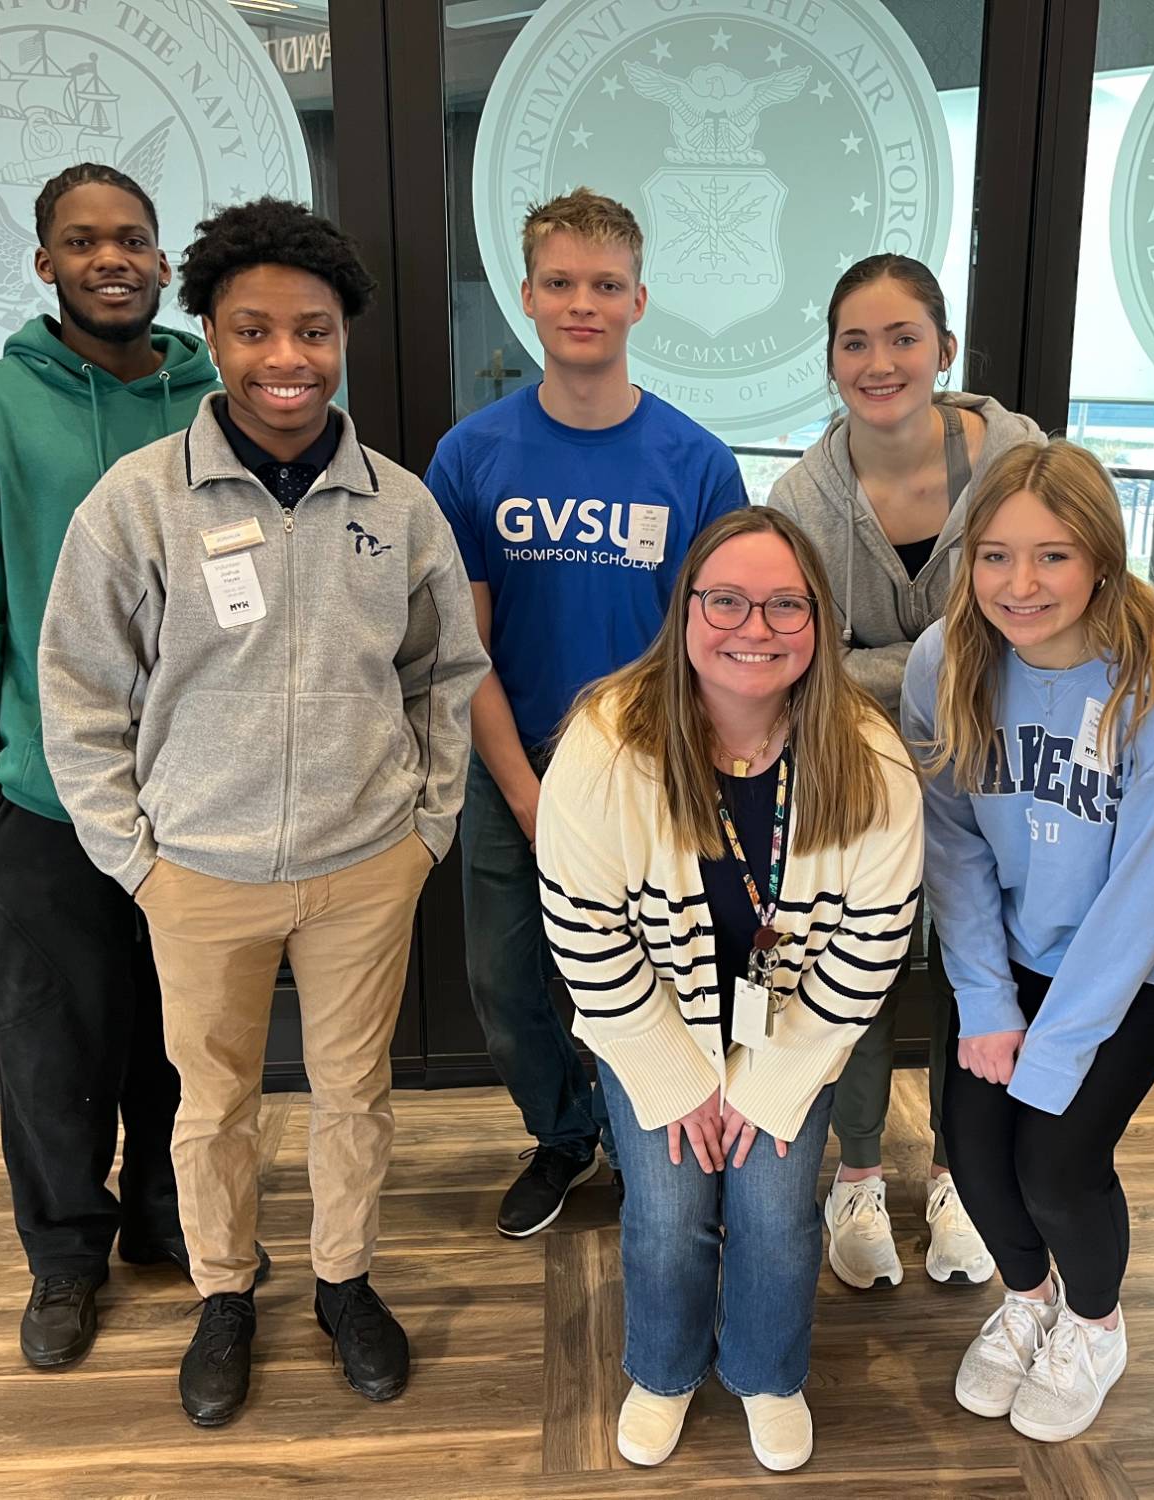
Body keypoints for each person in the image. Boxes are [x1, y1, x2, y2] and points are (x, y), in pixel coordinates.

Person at [38, 198, 485, 1428]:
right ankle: (225, 1293)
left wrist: (425, 831)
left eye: (312, 331)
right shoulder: (140, 503)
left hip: (363, 864)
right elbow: (78, 688)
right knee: (213, 1099)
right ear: (213, 337)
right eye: (253, 331)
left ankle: (343, 1281)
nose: (285, 358)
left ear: (341, 340)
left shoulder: (394, 506)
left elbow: (444, 675)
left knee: (354, 1094)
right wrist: (135, 857)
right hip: (198, 870)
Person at [0, 162, 246, 1371]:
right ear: (44, 263)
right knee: (56, 1044)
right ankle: (63, 1256)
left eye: (134, 240)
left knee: (179, 1035)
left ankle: (165, 1217)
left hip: (201, 797)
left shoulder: (223, 405)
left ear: (163, 265)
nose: (111, 258)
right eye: (82, 241)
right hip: (44, 795)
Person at [537, 508, 923, 1473]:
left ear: (821, 622)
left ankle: (766, 1371)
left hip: (790, 1028)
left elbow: (872, 947)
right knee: (667, 1213)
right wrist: (678, 1080)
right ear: (686, 610)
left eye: (785, 605)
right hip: (650, 1022)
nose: (755, 627)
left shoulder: (868, 756)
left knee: (776, 1212)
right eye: (727, 600)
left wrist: (764, 1084)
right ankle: (663, 1369)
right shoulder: (605, 739)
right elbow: (583, 933)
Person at [426, 188, 748, 1238]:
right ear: (525, 297)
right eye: (559, 283)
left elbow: (719, 641)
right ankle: (565, 1135)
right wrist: (522, 790)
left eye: (604, 285)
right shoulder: (471, 456)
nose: (582, 304)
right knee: (507, 980)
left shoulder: (695, 462)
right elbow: (460, 647)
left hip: (655, 766)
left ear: (638, 300)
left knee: (660, 968)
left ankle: (652, 1133)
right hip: (509, 762)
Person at [902, 440, 1154, 1444]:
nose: (1019, 583)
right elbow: (947, 842)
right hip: (1009, 940)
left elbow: (1152, 884)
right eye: (993, 555)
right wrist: (989, 1004)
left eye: (1051, 554)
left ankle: (1091, 1322)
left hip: (1148, 956)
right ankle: (1028, 1297)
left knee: (1052, 1160)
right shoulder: (943, 659)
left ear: (1101, 555)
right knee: (970, 1150)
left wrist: (1058, 1043)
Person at [768, 252, 1045, 1289]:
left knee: (977, 971)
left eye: (900, 338)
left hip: (1005, 775)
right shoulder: (803, 491)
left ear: (943, 350)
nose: (878, 361)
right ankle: (853, 1176)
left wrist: (881, 667)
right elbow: (797, 655)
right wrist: (950, 653)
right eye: (854, 342)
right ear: (831, 360)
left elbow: (1047, 622)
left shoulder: (1017, 460)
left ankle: (958, 1175)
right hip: (857, 772)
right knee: (860, 975)